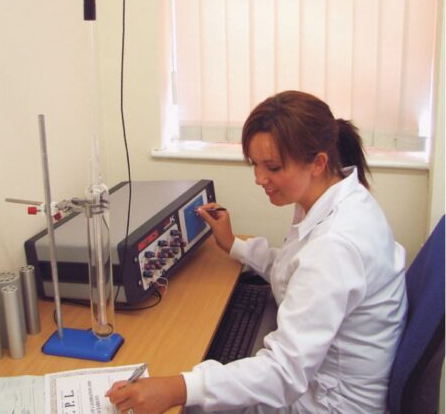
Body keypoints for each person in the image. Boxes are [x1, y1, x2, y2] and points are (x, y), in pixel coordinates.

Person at [106, 90, 407, 413]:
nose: (259, 178)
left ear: (318, 163)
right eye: (255, 165)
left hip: (329, 404)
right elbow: (297, 270)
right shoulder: (339, 198)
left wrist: (178, 388)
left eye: (273, 167)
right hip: (320, 378)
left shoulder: (335, 245)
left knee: (189, 401)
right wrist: (234, 244)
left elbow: (284, 373)